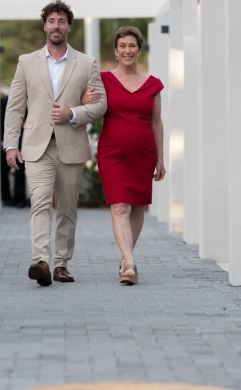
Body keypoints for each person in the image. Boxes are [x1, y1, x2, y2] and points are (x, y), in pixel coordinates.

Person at [3, 0, 107, 286]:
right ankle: (41, 261)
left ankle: (62, 263)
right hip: (37, 145)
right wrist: (10, 144)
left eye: (62, 21)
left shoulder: (86, 64)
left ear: (69, 26)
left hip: (71, 145)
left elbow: (101, 105)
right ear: (45, 26)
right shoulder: (26, 62)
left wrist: (73, 113)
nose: (56, 26)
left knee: (67, 208)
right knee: (39, 202)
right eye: (51, 21)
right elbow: (15, 106)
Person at [81, 26, 165, 285]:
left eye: (132, 46)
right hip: (112, 152)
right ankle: (129, 264)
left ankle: (126, 257)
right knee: (120, 206)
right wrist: (85, 100)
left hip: (143, 153)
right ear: (116, 52)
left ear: (139, 50)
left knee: (137, 206)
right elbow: (93, 112)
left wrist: (160, 159)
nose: (127, 50)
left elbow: (156, 123)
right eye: (122, 46)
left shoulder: (153, 85)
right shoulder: (104, 80)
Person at [0, 95, 27, 207]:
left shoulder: (27, 101)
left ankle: (20, 199)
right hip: (4, 143)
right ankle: (6, 198)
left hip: (21, 143)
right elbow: (0, 122)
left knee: (20, 171)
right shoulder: (3, 102)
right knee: (3, 171)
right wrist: (3, 142)